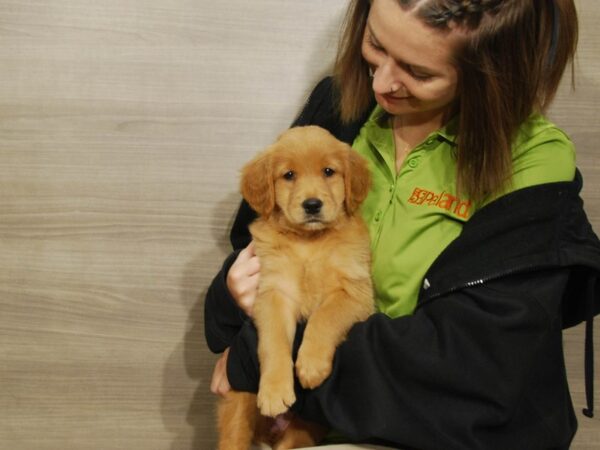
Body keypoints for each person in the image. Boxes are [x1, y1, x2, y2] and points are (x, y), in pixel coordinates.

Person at [205, 0, 600, 448]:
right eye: (375, 43)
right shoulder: (340, 110)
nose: (382, 82)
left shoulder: (531, 160)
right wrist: (228, 300)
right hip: (323, 425)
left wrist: (259, 357)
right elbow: (254, 243)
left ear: (490, 73)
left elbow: (468, 365)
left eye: (419, 72)